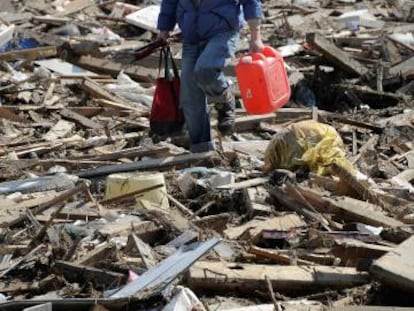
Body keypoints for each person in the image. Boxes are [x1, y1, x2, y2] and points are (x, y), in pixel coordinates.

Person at [157, 0, 264, 153]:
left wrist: (256, 36)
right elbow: (170, 2)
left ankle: (224, 98)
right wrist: (164, 30)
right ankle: (201, 151)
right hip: (191, 37)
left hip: (223, 32)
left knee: (205, 69)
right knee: (190, 98)